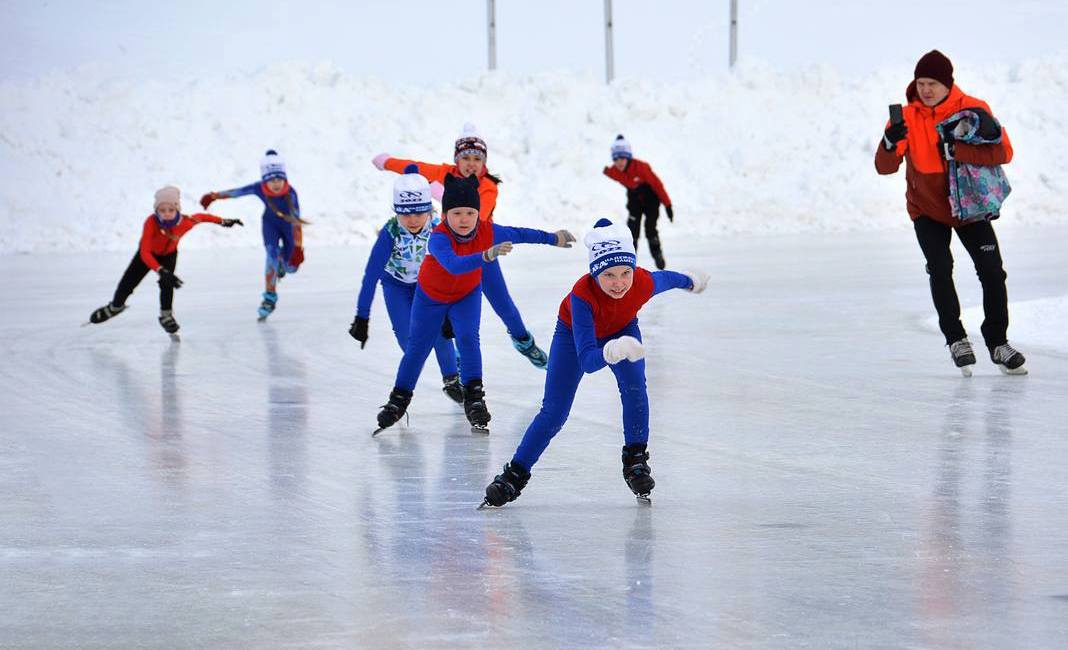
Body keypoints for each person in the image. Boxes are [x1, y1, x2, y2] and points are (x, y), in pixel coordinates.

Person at [481, 218, 707, 508]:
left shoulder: (642, 282)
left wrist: (691, 281)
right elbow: (588, 360)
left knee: (636, 388)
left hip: (623, 329)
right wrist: (610, 350)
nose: (619, 283)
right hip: (574, 333)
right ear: (594, 272)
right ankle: (515, 474)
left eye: (626, 272)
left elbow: (668, 278)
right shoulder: (582, 295)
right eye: (609, 275)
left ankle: (636, 459)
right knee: (554, 411)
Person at [374, 174, 576, 434]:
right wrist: (485, 255)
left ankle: (475, 398)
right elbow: (453, 264)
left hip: (465, 296)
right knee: (418, 348)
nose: (464, 220)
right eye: (456, 213)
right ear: (445, 214)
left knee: (469, 339)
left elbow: (521, 234)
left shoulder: (488, 231)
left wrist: (553, 238)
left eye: (470, 213)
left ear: (477, 213)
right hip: (431, 298)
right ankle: (398, 401)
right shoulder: (438, 237)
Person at [875, 50, 1026, 376]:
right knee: (940, 268)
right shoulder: (907, 117)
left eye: (932, 83)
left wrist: (959, 149)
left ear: (948, 84)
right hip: (927, 208)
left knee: (992, 271)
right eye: (921, 83)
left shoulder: (973, 109)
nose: (925, 89)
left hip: (969, 207)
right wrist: (889, 142)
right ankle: (956, 338)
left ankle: (998, 342)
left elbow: (1004, 152)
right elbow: (884, 167)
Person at [372, 123, 550, 369]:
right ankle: (454, 354)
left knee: (503, 304)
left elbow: (478, 217)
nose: (471, 163)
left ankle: (523, 341)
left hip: (482, 252)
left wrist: (442, 194)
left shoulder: (487, 185)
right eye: (465, 157)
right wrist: (387, 162)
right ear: (456, 159)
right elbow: (417, 168)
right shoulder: (446, 173)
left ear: (484, 162)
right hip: (451, 255)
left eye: (477, 158)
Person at [350, 165, 463, 404]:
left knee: (440, 330)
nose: (412, 220)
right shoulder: (391, 232)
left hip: (429, 285)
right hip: (396, 285)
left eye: (418, 213)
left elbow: (453, 267)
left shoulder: (439, 229)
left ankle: (452, 377)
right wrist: (362, 317)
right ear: (396, 212)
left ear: (429, 210)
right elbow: (371, 275)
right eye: (405, 214)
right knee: (408, 341)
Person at [87, 186, 243, 335]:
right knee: (128, 282)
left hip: (169, 255)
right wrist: (161, 270)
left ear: (177, 209)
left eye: (171, 210)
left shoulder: (186, 222)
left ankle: (166, 315)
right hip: (146, 255)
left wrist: (223, 221)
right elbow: (145, 252)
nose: (167, 213)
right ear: (156, 211)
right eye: (162, 210)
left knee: (167, 284)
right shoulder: (151, 222)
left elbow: (202, 217)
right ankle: (115, 306)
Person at [200, 150, 305, 320]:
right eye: (271, 180)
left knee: (291, 268)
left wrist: (298, 248)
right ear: (265, 180)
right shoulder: (259, 188)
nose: (276, 184)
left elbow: (296, 222)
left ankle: (282, 263)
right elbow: (237, 192)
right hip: (270, 224)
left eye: (279, 179)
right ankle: (269, 298)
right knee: (271, 254)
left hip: (289, 228)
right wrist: (214, 196)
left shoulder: (290, 193)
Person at [602, 135, 674, 270]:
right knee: (632, 230)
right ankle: (628, 261)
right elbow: (607, 171)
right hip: (634, 199)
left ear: (628, 157)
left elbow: (658, 185)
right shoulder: (614, 171)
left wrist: (668, 205)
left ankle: (657, 254)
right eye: (615, 159)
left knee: (650, 229)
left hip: (651, 199)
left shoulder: (641, 168)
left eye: (622, 158)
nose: (619, 162)